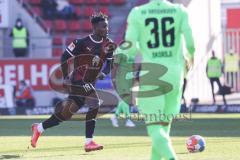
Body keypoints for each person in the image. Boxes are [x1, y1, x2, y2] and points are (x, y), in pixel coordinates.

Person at [30, 12, 116, 152]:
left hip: (90, 82)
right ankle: (89, 142)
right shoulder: (80, 43)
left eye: (107, 26)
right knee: (95, 103)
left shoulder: (109, 45)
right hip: (78, 81)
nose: (107, 29)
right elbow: (64, 57)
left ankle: (38, 128)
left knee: (64, 115)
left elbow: (109, 64)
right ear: (94, 27)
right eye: (104, 26)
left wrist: (103, 73)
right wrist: (66, 76)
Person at [123, 0, 195, 159]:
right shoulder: (179, 11)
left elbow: (129, 48)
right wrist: (191, 58)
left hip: (152, 74)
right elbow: (191, 44)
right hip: (175, 75)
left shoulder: (137, 13)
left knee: (154, 128)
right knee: (164, 126)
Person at [110, 48, 136, 128]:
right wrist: (113, 78)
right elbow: (114, 66)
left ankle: (115, 117)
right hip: (121, 78)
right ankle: (128, 120)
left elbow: (135, 65)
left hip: (130, 79)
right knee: (126, 98)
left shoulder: (135, 49)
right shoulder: (120, 50)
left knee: (127, 100)